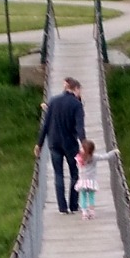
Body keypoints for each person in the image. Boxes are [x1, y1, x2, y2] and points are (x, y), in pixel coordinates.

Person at [34, 77, 85, 213]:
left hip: (54, 143)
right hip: (70, 145)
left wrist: (39, 144)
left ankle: (62, 207)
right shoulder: (77, 105)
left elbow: (46, 125)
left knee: (58, 174)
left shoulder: (53, 101)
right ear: (76, 89)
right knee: (75, 174)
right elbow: (80, 128)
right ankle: (73, 205)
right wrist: (84, 144)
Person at [74, 139, 118, 220]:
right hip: (91, 181)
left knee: (83, 196)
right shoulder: (94, 157)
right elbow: (106, 156)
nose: (80, 149)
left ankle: (84, 213)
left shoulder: (79, 158)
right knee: (91, 197)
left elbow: (78, 166)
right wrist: (114, 152)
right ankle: (92, 212)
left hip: (82, 181)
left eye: (82, 148)